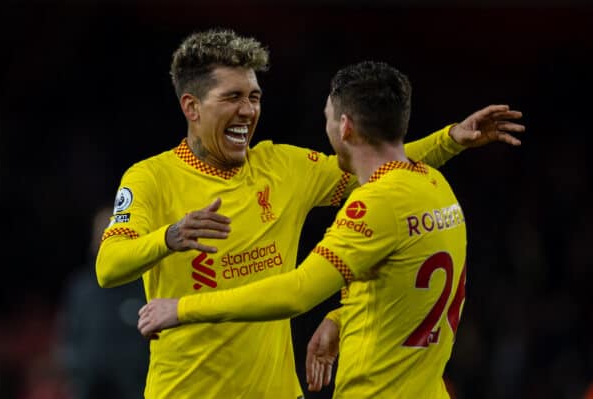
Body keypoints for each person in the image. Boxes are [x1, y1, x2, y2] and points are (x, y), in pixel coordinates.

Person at [97, 28, 524, 399]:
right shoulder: (150, 178)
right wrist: (168, 237)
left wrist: (449, 139)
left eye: (254, 96)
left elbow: (373, 162)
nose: (248, 110)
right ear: (192, 107)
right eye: (232, 97)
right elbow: (108, 267)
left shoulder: (283, 166)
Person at [56, 206, 148, 399]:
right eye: (102, 233)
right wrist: (78, 374)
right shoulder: (80, 288)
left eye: (114, 232)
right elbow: (68, 336)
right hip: (90, 389)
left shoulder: (147, 286)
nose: (107, 239)